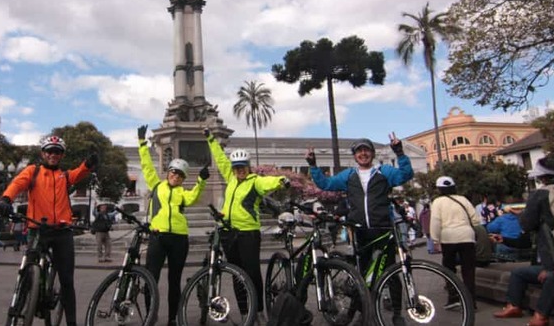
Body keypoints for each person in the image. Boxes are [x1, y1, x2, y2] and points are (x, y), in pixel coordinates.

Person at [308, 133, 414, 326]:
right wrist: (313, 166)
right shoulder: (349, 176)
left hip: (382, 228)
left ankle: (397, 313)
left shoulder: (385, 172)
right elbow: (325, 184)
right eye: (359, 151)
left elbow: (406, 175)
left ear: (372, 154)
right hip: (359, 231)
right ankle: (358, 311)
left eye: (366, 150)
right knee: (361, 274)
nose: (363, 154)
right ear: (355, 156)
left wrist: (399, 153)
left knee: (390, 272)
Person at [0, 135, 97, 326]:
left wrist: (88, 164)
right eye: (50, 151)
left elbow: (78, 173)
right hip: (38, 228)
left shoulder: (64, 176)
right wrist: (6, 199)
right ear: (43, 153)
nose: (53, 155)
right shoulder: (33, 171)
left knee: (67, 279)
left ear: (61, 155)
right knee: (29, 266)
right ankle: (26, 295)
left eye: (57, 152)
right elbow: (17, 183)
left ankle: (72, 323)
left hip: (62, 231)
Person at [205, 128, 289, 323]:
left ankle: (258, 310)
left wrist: (281, 181)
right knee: (236, 275)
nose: (239, 170)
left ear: (248, 167)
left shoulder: (255, 181)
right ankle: (245, 312)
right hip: (228, 232)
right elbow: (220, 158)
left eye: (242, 167)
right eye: (236, 167)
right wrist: (210, 138)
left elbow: (267, 182)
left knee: (251, 273)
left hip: (248, 233)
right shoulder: (231, 178)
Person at [493, 157, 554, 326]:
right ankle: (514, 305)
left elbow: (527, 224)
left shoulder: (541, 194)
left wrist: (522, 215)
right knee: (519, 273)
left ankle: (540, 316)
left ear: (543, 178)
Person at [138, 125, 207, 326]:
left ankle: (172, 318)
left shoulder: (183, 194)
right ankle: (150, 316)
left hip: (179, 238)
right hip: (158, 236)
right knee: (151, 278)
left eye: (179, 175)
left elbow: (194, 195)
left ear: (183, 178)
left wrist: (201, 181)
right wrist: (142, 143)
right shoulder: (156, 185)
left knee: (174, 281)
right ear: (168, 173)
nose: (174, 176)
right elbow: (147, 166)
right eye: (172, 173)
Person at [429, 176, 479, 309]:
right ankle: (471, 302)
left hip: (448, 237)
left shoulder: (438, 202)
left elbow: (435, 221)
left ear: (439, 189)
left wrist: (435, 239)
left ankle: (453, 297)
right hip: (467, 236)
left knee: (449, 268)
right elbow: (475, 219)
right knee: (468, 271)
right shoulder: (463, 199)